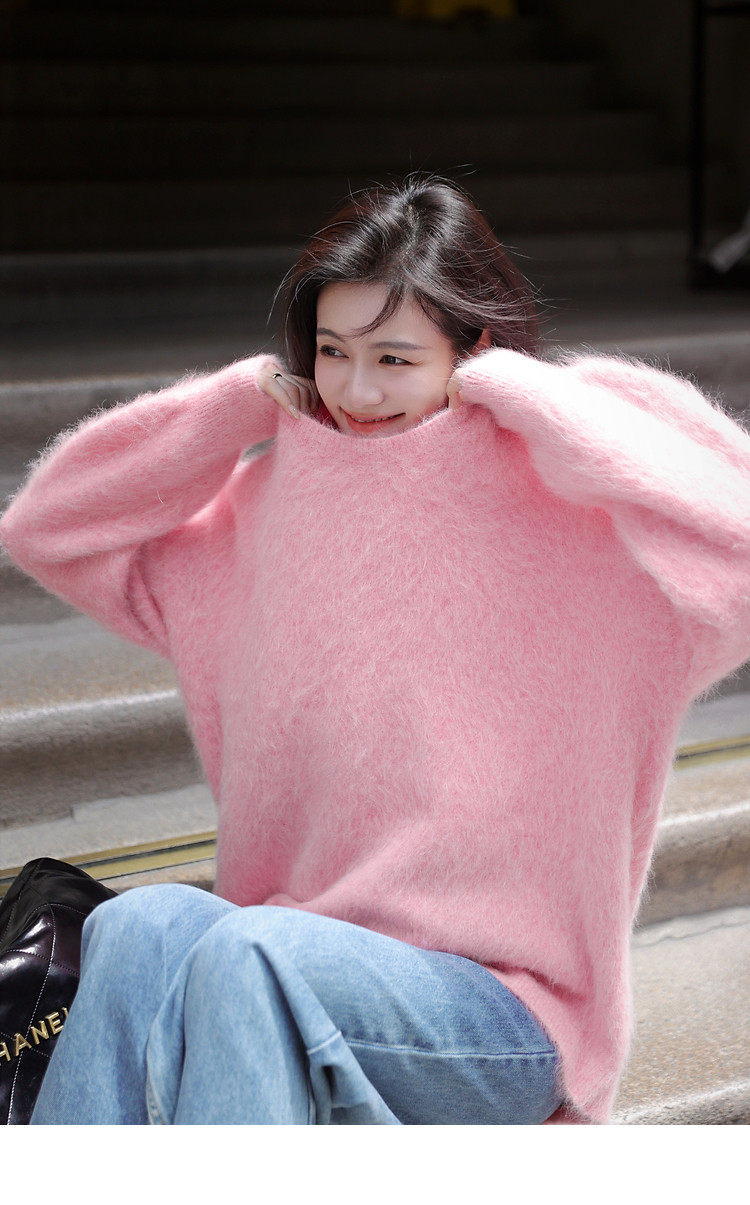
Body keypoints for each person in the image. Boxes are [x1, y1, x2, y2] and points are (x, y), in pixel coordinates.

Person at [3, 175, 750, 1126]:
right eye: (333, 352)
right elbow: (50, 529)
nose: (357, 391)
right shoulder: (265, 518)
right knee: (137, 924)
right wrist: (232, 405)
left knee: (246, 953)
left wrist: (535, 393)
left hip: (499, 1014)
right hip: (280, 963)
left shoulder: (583, 528)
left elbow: (735, 537)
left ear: (474, 352)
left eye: (395, 358)